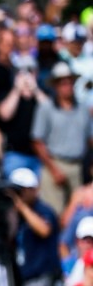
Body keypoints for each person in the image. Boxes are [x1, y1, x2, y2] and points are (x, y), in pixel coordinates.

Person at [32, 63, 91, 211]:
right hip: (54, 164)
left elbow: (90, 139)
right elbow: (37, 142)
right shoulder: (46, 108)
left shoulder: (83, 109)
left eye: (70, 82)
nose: (67, 86)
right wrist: (54, 169)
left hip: (78, 167)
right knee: (54, 212)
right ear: (55, 86)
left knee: (76, 214)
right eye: (63, 83)